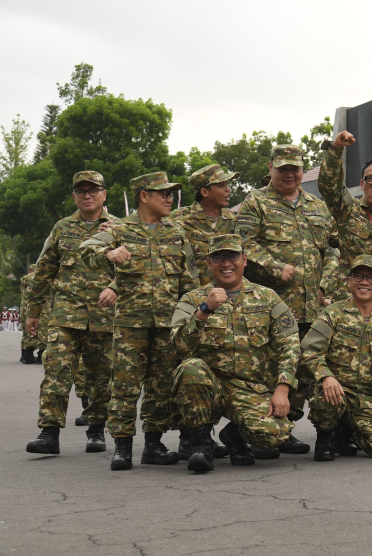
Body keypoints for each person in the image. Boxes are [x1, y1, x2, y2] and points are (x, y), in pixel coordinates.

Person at [81, 171, 200, 470]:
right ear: (144, 196)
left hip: (166, 324)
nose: (170, 198)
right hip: (130, 325)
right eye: (164, 193)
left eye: (171, 193)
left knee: (160, 386)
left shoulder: (177, 232)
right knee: (124, 386)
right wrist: (109, 253)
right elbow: (86, 250)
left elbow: (189, 282)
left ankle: (153, 444)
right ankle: (122, 447)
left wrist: (189, 318)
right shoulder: (121, 229)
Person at [235, 144, 335, 455]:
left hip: (311, 307)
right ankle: (254, 430)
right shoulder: (256, 203)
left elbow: (332, 249)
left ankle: (283, 427)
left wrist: (326, 285)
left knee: (303, 372)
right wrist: (275, 267)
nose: (290, 173)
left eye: (295, 168)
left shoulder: (316, 207)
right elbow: (242, 244)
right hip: (270, 308)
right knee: (269, 371)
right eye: (283, 168)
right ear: (271, 168)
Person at [170, 234, 300, 472]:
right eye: (218, 257)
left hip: (250, 388)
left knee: (274, 437)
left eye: (232, 256)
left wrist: (282, 388)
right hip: (210, 386)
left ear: (245, 260)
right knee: (190, 369)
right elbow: (178, 344)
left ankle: (234, 435)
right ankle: (201, 445)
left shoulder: (268, 297)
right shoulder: (193, 299)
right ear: (208, 263)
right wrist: (205, 310)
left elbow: (290, 344)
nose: (226, 263)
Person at [24, 171, 117, 456]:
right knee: (56, 370)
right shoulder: (62, 228)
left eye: (93, 190)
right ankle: (49, 432)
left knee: (101, 378)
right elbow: (44, 270)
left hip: (104, 318)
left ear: (104, 193)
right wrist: (34, 311)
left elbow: (134, 270)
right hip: (66, 314)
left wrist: (115, 288)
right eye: (81, 191)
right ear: (74, 196)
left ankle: (96, 430)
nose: (87, 196)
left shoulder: (119, 229)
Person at [302, 255, 372, 461]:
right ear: (348, 281)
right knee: (326, 397)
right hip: (333, 389)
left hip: (364, 396)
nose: (364, 282)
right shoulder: (332, 314)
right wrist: (325, 376)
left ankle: (348, 431)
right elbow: (309, 351)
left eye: (371, 277)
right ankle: (326, 435)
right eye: (358, 276)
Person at [316, 131, 372, 308]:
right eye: (370, 179)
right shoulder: (348, 212)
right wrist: (336, 149)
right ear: (361, 184)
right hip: (349, 307)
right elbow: (330, 186)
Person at [170, 164, 239, 285]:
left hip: (228, 296)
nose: (228, 189)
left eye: (227, 184)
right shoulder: (178, 220)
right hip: (194, 297)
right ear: (205, 192)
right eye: (221, 185)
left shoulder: (234, 220)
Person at [19, 266, 37, 364]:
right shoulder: (29, 278)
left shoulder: (24, 280)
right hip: (29, 310)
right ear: (31, 271)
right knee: (30, 331)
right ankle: (27, 355)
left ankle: (23, 354)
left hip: (24, 309)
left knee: (25, 332)